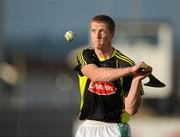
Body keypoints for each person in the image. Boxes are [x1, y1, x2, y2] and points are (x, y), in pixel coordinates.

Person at [74, 15, 152, 137]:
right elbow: (95, 75)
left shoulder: (125, 63)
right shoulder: (85, 55)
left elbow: (131, 109)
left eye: (102, 31)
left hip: (115, 129)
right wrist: (130, 70)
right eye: (93, 31)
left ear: (112, 34)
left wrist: (136, 78)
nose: (97, 36)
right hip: (87, 128)